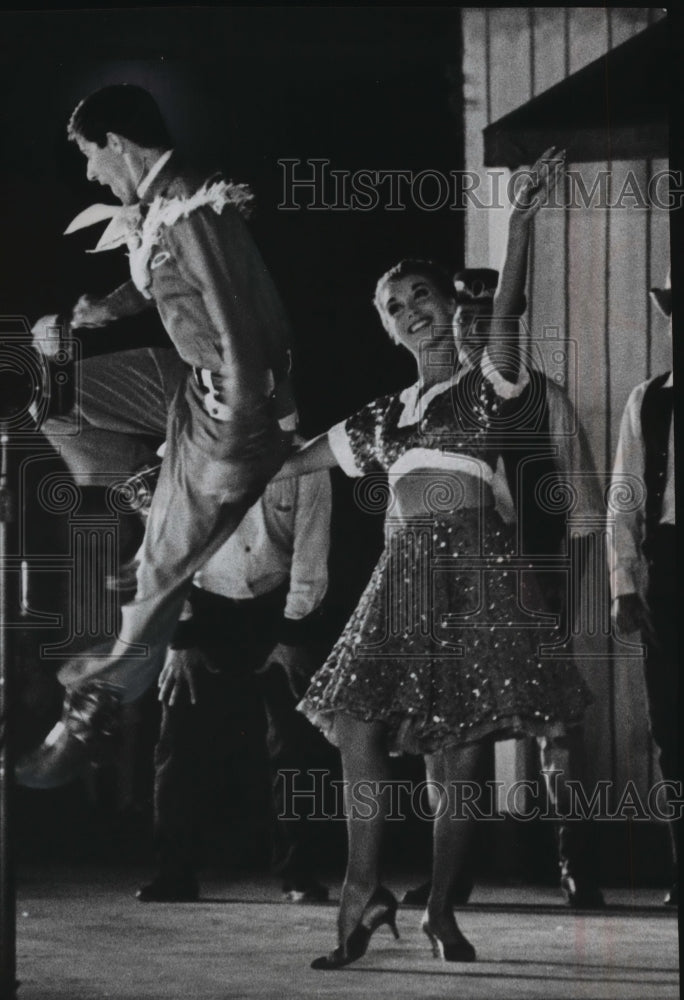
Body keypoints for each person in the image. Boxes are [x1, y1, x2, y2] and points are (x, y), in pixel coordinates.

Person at [276, 148, 593, 970]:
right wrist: (187, 471)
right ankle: (363, 891)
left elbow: (511, 312)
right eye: (393, 306)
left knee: (457, 758)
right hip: (403, 577)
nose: (409, 310)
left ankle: (441, 912)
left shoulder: (489, 380)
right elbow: (288, 463)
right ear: (383, 326)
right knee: (354, 725)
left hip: (477, 575)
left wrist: (520, 223)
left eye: (420, 294)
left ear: (448, 302)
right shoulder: (384, 414)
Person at [17, 84, 296, 788]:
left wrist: (239, 420)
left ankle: (88, 718)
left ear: (117, 142)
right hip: (183, 383)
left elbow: (235, 317)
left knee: (156, 586)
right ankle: (142, 486)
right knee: (57, 401)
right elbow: (162, 286)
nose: (89, 174)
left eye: (88, 155)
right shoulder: (164, 200)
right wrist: (98, 311)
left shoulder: (190, 207)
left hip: (229, 404)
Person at [402, 267, 605, 911]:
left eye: (487, 315)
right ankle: (452, 870)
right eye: (463, 316)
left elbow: (582, 500)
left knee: (554, 724)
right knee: (451, 721)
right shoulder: (431, 403)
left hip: (535, 582)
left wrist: (569, 595)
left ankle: (574, 863)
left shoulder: (542, 396)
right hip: (457, 586)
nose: (472, 327)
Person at [137, 462, 334, 904]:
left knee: (295, 743)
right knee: (178, 742)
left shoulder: (307, 460)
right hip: (203, 603)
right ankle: (175, 872)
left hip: (280, 603)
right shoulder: (185, 452)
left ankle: (300, 873)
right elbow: (169, 548)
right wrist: (181, 638)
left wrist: (292, 636)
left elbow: (311, 551)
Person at [607, 268, 679, 907]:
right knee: (671, 720)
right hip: (669, 568)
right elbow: (624, 495)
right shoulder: (648, 398)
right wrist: (624, 583)